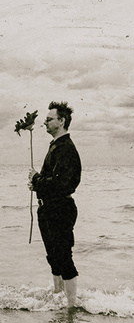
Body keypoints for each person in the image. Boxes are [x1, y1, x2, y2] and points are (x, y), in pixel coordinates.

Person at [28, 101, 82, 310]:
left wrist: (37, 179)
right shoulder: (56, 146)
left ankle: (71, 307)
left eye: (49, 119)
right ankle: (58, 298)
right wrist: (37, 185)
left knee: (63, 256)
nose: (45, 122)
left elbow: (61, 183)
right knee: (53, 256)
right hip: (48, 207)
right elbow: (52, 181)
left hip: (60, 208)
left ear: (61, 121)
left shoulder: (65, 148)